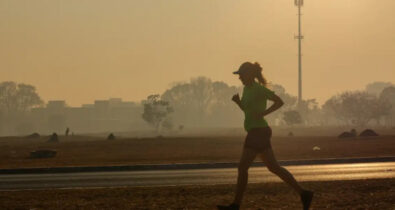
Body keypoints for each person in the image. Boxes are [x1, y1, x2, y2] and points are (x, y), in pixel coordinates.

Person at [217, 62, 313, 210]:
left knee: (242, 168)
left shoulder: (258, 89)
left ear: (249, 74)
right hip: (256, 131)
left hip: (258, 132)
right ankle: (304, 193)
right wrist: (238, 103)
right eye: (239, 75)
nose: (239, 78)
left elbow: (279, 102)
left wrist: (264, 113)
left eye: (241, 75)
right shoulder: (246, 90)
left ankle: (236, 205)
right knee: (274, 167)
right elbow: (247, 110)